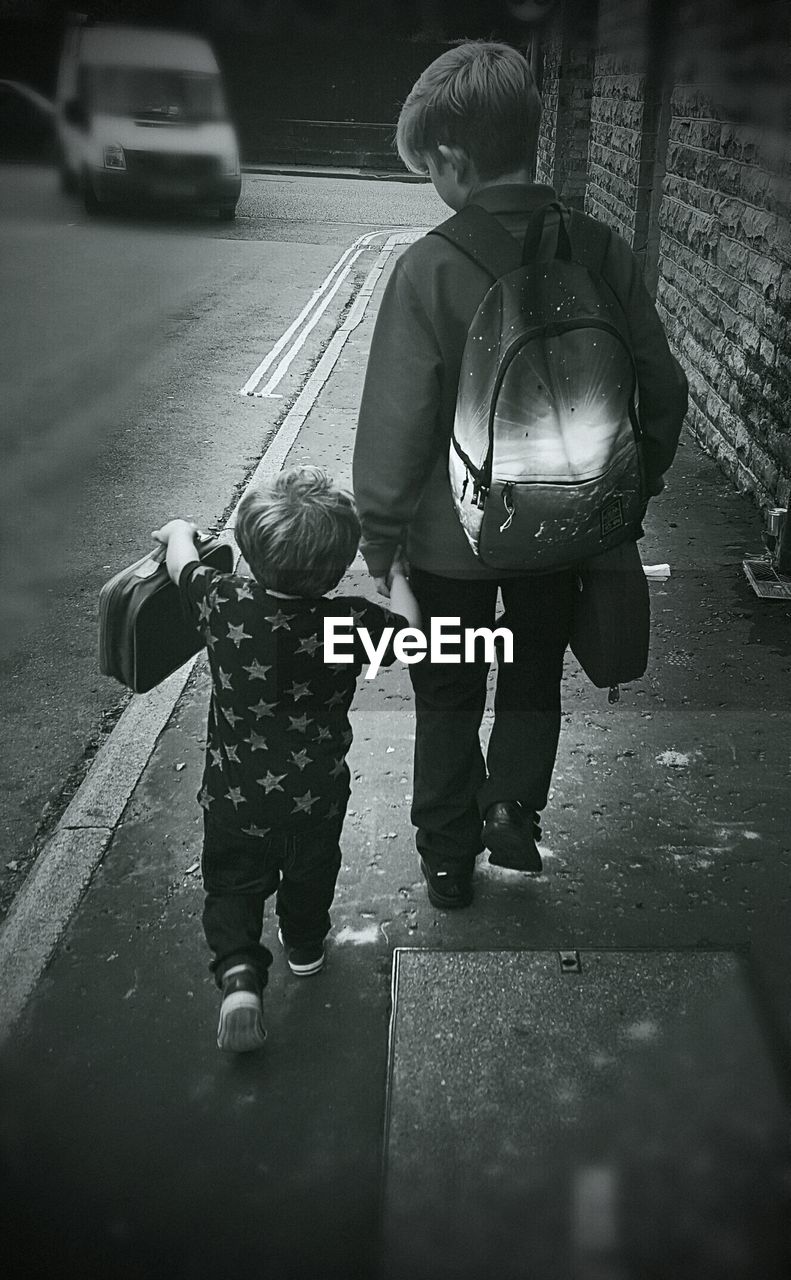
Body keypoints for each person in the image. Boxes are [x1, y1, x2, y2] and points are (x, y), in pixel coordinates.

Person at [352, 40, 688, 910]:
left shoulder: (427, 268)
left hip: (446, 542)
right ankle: (512, 808)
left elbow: (396, 422)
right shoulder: (603, 249)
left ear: (453, 161)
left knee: (450, 686)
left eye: (428, 167)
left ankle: (445, 856)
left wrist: (379, 539)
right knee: (533, 669)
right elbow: (661, 384)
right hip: (561, 529)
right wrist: (628, 488)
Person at [152, 466, 419, 1053]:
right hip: (315, 798)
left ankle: (241, 975)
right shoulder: (353, 621)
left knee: (231, 888)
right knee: (309, 874)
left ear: (249, 549)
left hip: (233, 799)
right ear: (339, 560)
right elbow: (416, 637)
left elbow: (180, 564)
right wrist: (396, 575)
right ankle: (303, 947)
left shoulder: (224, 600)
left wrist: (180, 531)